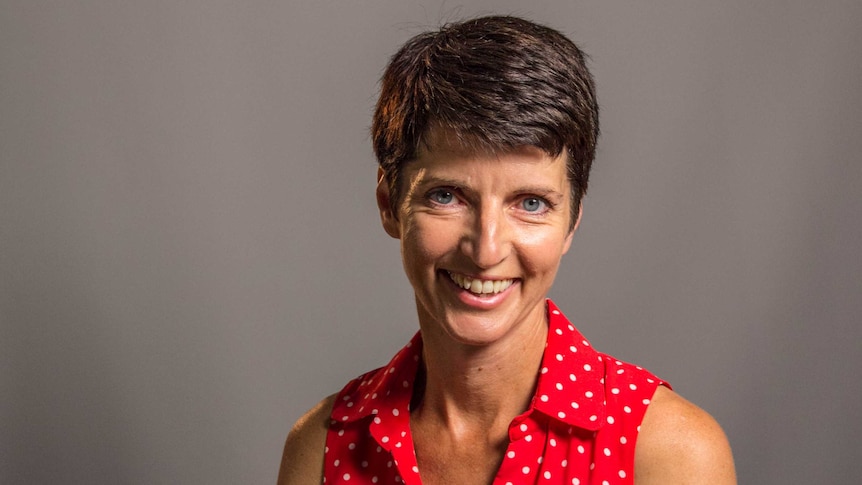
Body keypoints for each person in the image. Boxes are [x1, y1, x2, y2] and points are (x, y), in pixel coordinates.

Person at [278, 15, 736, 485]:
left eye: (531, 203)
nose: (486, 249)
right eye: (447, 195)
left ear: (572, 221)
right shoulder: (322, 448)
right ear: (389, 204)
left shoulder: (669, 453)